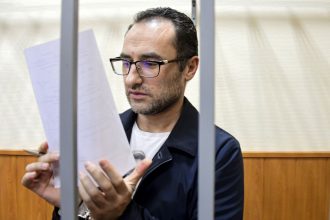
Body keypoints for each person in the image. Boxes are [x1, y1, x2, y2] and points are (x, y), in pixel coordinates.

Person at [22, 7, 244, 220]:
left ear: (189, 68)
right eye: (126, 62)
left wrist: (122, 214)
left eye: (150, 63)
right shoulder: (100, 133)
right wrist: (72, 207)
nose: (131, 79)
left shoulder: (218, 152)